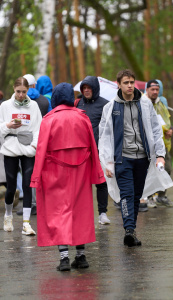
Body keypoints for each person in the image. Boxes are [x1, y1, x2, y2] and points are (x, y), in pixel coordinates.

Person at [30, 82, 105, 271]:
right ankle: (81, 256)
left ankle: (64, 258)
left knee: (58, 212)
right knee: (81, 211)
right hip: (80, 172)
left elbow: (40, 150)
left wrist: (36, 177)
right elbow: (93, 148)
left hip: (54, 172)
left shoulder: (49, 119)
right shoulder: (83, 118)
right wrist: (97, 174)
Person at [99, 69, 173, 247]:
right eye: (126, 82)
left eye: (132, 82)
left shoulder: (145, 104)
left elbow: (156, 131)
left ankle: (131, 230)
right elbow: (105, 135)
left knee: (137, 195)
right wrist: (108, 162)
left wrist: (160, 155)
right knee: (127, 194)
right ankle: (129, 230)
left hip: (142, 158)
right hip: (122, 158)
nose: (130, 86)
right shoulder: (110, 108)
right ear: (119, 84)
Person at [0, 77, 42, 235]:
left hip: (28, 147)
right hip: (10, 147)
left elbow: (39, 128)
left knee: (27, 184)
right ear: (13, 89)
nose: (20, 95)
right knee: (11, 187)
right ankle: (8, 215)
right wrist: (7, 125)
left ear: (28, 91)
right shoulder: (5, 106)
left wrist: (34, 145)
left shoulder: (34, 106)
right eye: (18, 91)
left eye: (24, 92)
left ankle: (26, 223)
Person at [76, 76, 110, 225]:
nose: (86, 90)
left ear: (95, 88)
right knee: (82, 183)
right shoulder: (77, 103)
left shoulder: (105, 105)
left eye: (89, 88)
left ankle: (102, 213)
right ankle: (83, 213)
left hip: (99, 150)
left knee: (101, 182)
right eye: (84, 88)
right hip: (81, 150)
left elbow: (110, 128)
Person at [145, 80, 173, 207]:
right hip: (148, 145)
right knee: (149, 171)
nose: (155, 92)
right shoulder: (142, 103)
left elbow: (166, 120)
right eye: (152, 89)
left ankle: (161, 196)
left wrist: (171, 130)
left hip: (163, 144)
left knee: (166, 169)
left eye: (157, 89)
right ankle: (148, 196)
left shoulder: (161, 103)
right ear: (147, 90)